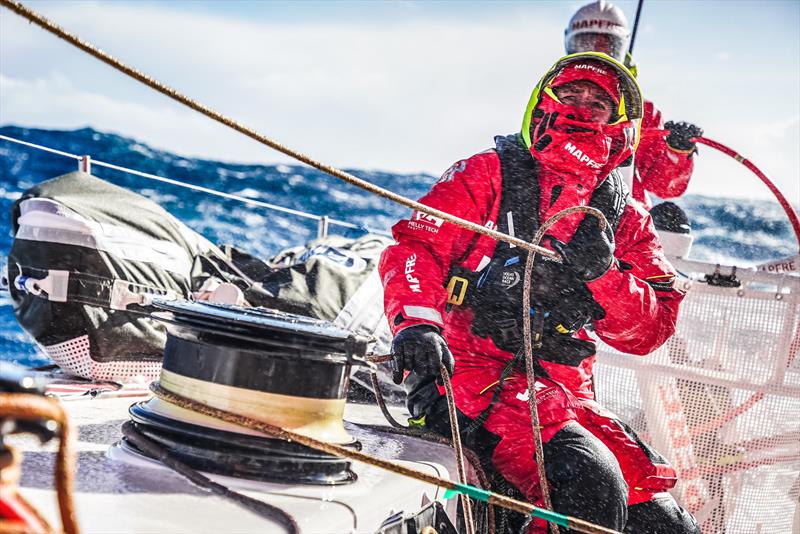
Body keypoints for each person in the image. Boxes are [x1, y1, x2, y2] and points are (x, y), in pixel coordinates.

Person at [379, 52, 700, 532]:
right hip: (468, 375)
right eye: (570, 93)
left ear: (618, 120)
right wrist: (417, 324)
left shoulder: (624, 216)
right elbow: (417, 248)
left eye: (598, 103)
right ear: (543, 102)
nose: (581, 108)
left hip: (564, 393)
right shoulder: (488, 173)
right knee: (588, 480)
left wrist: (603, 273)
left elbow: (648, 331)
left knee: (668, 524)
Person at [565, 0, 703, 209]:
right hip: (560, 208)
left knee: (670, 218)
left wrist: (676, 152)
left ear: (622, 49)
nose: (598, 55)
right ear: (571, 47)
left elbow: (664, 186)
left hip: (625, 216)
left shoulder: (641, 114)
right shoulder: (551, 100)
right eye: (588, 44)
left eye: (608, 47)